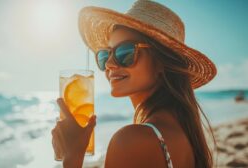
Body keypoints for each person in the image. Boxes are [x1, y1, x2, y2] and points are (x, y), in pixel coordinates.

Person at [51, 0, 217, 167]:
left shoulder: (132, 140)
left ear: (161, 62)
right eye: (105, 54)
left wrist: (72, 156)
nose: (109, 63)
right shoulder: (185, 131)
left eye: (125, 52)